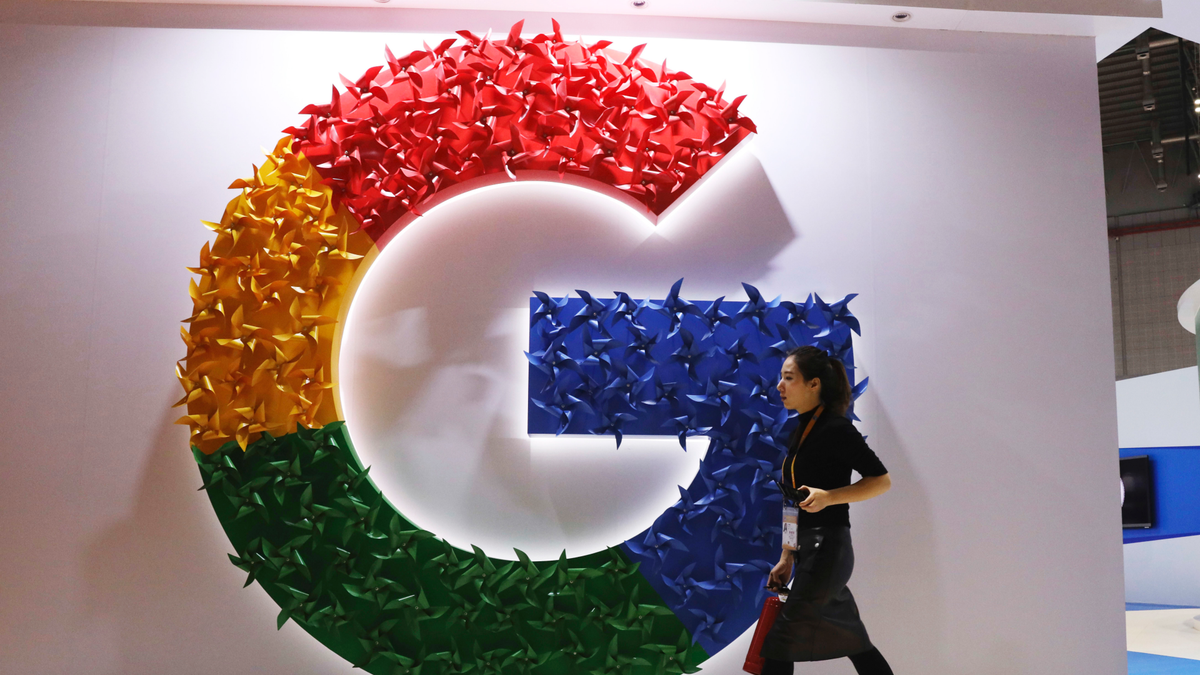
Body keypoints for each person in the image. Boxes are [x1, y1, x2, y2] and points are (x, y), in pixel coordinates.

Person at [759, 345, 894, 675]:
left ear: (813, 384)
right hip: (811, 552)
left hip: (828, 549)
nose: (780, 386)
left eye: (789, 378)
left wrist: (830, 496)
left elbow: (881, 481)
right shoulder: (800, 432)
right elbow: (792, 499)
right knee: (856, 644)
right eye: (781, 378)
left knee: (780, 642)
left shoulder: (836, 428)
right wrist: (786, 556)